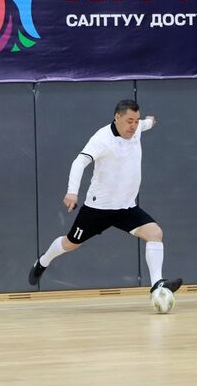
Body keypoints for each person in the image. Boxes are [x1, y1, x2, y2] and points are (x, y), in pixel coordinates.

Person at [28, 99, 183, 299]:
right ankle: (43, 262)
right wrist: (72, 191)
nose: (133, 126)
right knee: (71, 243)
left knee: (155, 233)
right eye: (129, 121)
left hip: (126, 208)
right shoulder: (102, 139)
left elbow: (144, 125)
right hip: (98, 209)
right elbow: (79, 162)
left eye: (136, 121)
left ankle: (157, 285)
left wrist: (149, 122)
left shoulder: (136, 129)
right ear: (117, 117)